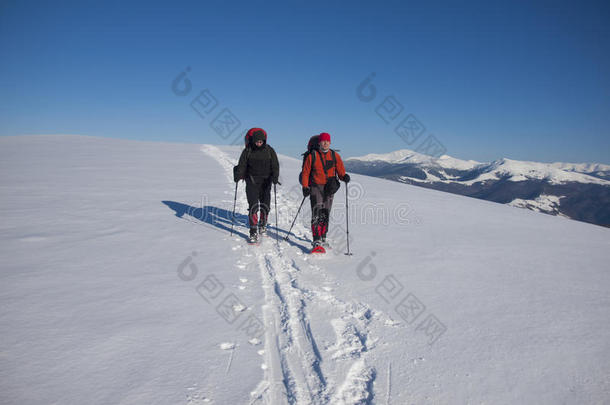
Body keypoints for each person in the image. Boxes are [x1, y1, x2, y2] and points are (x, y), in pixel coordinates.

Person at [301, 132, 350, 248]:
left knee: (326, 213)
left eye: (327, 141)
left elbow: (340, 171)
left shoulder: (335, 156)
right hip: (315, 187)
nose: (325, 143)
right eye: (323, 141)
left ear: (330, 142)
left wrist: (344, 177)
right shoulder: (312, 155)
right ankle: (316, 239)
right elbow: (305, 173)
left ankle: (323, 236)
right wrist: (305, 186)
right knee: (316, 212)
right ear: (319, 142)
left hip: (329, 188)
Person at [234, 128, 280, 243]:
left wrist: (275, 176)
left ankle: (263, 224)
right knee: (253, 205)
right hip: (252, 182)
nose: (259, 143)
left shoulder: (270, 151)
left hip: (266, 182)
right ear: (253, 141)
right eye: (257, 141)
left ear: (264, 141)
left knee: (265, 205)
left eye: (261, 141)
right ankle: (253, 231)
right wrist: (238, 174)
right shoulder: (248, 151)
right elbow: (242, 165)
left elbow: (275, 165)